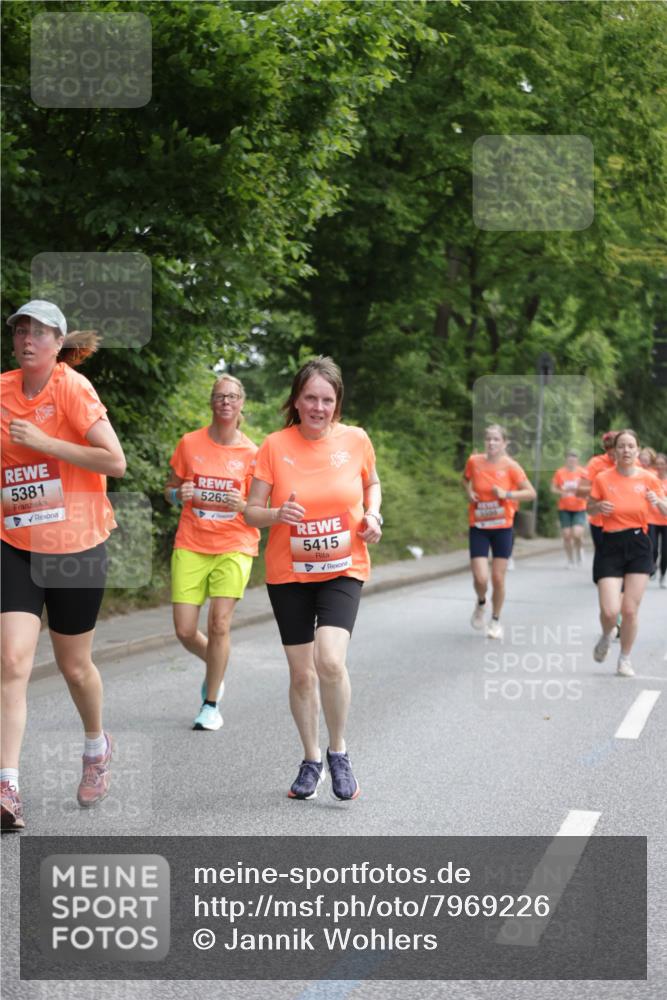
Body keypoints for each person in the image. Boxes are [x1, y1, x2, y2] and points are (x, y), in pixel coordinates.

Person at [1, 300, 126, 831]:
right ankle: (8, 786)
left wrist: (46, 442)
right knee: (12, 661)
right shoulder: (2, 391)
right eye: (20, 331)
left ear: (57, 343)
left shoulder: (73, 389)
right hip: (16, 543)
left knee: (75, 667)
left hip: (75, 546)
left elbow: (115, 461)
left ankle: (96, 748)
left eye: (39, 332)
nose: (27, 339)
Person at [244, 357, 382, 802]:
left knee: (330, 661)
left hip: (343, 566)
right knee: (302, 674)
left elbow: (372, 484)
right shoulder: (274, 445)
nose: (319, 407)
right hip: (289, 573)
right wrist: (277, 514)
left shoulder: (356, 439)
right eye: (310, 398)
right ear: (296, 401)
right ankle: (311, 759)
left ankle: (338, 751)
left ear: (337, 403)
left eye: (327, 399)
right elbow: (250, 512)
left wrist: (374, 515)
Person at [164, 375, 259, 731]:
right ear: (211, 402)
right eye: (220, 396)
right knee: (185, 630)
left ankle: (211, 704)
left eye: (232, 396)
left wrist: (243, 505)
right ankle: (216, 667)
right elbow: (169, 489)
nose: (225, 402)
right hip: (192, 542)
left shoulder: (253, 454)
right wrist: (178, 495)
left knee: (219, 623)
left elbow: (260, 508)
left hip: (235, 544)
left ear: (241, 403)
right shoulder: (190, 443)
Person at [587, 429, 667, 677]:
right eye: (621, 446)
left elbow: (665, 510)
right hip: (610, 543)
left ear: (637, 449)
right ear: (614, 450)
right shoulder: (603, 478)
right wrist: (598, 507)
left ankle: (625, 658)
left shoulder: (649, 478)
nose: (626, 450)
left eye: (631, 446)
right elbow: (589, 507)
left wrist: (658, 502)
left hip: (639, 544)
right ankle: (606, 634)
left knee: (630, 610)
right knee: (610, 611)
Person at [462, 425, 536, 640]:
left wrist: (507, 494)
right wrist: (469, 492)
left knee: (498, 578)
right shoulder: (474, 461)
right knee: (480, 577)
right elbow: (465, 479)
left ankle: (495, 620)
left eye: (496, 439)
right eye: (488, 439)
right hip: (479, 526)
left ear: (504, 443)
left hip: (503, 527)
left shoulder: (511, 466)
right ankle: (481, 602)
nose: (491, 443)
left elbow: (530, 493)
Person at [551, 450, 588, 567]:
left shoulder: (583, 472)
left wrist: (579, 491)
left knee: (576, 533)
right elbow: (553, 488)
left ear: (577, 460)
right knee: (567, 535)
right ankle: (570, 560)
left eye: (574, 458)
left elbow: (588, 488)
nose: (571, 461)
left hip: (579, 507)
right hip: (564, 507)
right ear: (566, 460)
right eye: (569, 458)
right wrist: (561, 492)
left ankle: (580, 549)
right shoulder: (560, 472)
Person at [639, 446, 659, 578]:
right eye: (642, 457)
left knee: (653, 544)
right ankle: (645, 566)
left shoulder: (654, 474)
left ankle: (653, 564)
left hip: (653, 516)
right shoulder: (635, 471)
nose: (644, 459)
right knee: (643, 542)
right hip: (639, 515)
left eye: (647, 457)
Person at [651, 452, 667, 587]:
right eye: (657, 464)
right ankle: (653, 566)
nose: (659, 466)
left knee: (665, 551)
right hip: (652, 519)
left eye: (662, 464)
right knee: (653, 547)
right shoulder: (651, 479)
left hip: (666, 520)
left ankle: (663, 574)